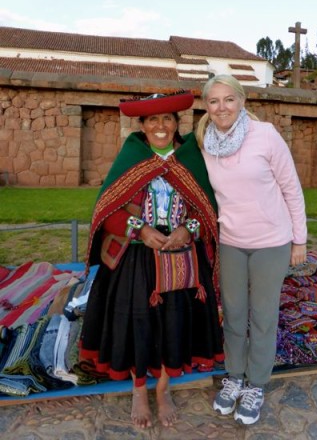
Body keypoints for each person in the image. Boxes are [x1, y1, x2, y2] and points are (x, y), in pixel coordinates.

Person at [79, 90, 223, 429]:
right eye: (153, 119)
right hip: (137, 259)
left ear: (177, 123)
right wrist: (140, 230)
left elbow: (207, 209)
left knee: (174, 324)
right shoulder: (131, 154)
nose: (161, 125)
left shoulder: (190, 156)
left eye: (168, 118)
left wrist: (188, 229)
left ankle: (162, 389)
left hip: (181, 256)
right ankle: (139, 389)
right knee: (136, 323)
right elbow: (107, 209)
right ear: (142, 124)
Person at [196, 75, 307, 426]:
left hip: (271, 242)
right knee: (232, 312)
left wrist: (299, 240)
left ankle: (256, 383)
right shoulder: (204, 143)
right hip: (232, 241)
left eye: (229, 99)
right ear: (206, 108)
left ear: (242, 101)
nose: (222, 107)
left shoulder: (266, 135)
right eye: (214, 101)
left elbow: (291, 187)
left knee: (262, 316)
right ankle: (234, 376)